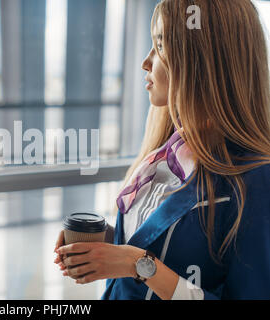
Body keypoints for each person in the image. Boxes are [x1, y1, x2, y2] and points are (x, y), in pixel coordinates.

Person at [54, 0, 270, 300]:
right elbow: (158, 244)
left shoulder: (256, 178)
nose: (146, 61)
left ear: (201, 59)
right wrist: (106, 242)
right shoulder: (163, 153)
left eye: (160, 46)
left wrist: (138, 264)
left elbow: (144, 262)